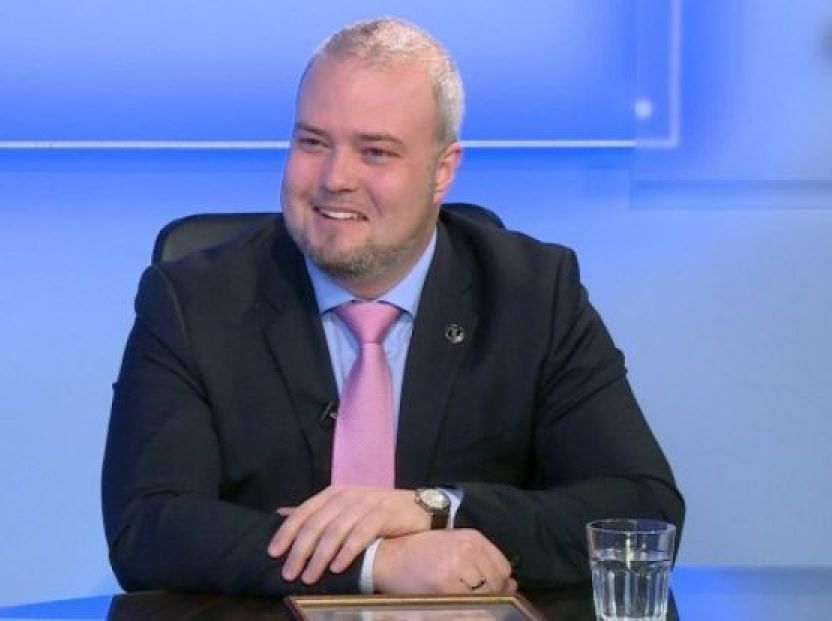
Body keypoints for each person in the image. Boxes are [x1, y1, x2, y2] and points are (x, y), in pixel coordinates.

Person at [101, 17, 683, 597]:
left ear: (442, 171)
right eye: (312, 142)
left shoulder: (534, 294)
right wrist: (375, 563)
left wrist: (435, 509)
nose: (335, 178)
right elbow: (148, 528)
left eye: (375, 152)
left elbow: (642, 512)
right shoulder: (191, 301)